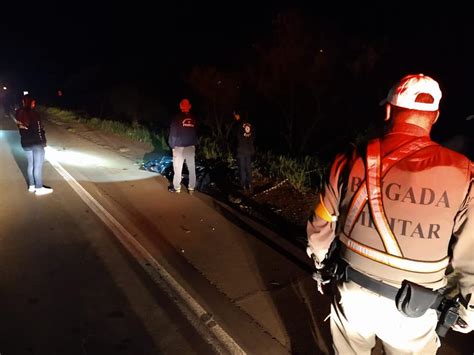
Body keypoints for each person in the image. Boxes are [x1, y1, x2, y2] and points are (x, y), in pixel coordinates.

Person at [306, 74, 473, 354]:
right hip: (415, 312)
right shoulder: (463, 173)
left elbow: (320, 226)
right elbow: (470, 256)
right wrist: (469, 310)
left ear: (387, 110)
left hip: (353, 293)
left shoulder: (349, 160)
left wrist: (321, 263)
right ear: (435, 116)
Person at [15, 94, 53, 195]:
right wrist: (43, 143)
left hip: (25, 142)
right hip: (36, 143)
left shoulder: (19, 113)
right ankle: (39, 188)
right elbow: (39, 131)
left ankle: (31, 186)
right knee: (38, 166)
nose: (34, 104)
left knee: (31, 164)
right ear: (31, 102)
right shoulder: (34, 114)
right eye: (33, 102)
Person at [168, 98, 197, 194]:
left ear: (181, 107)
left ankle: (177, 188)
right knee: (192, 168)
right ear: (189, 107)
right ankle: (191, 188)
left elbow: (173, 134)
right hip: (190, 147)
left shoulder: (176, 118)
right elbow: (195, 133)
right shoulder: (193, 119)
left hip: (179, 147)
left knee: (177, 168)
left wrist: (172, 146)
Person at [233, 111, 255, 192]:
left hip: (241, 151)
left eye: (235, 115)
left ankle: (243, 186)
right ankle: (250, 185)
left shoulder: (238, 125)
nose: (235, 116)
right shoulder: (250, 125)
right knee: (248, 168)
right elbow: (253, 136)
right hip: (249, 150)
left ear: (238, 115)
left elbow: (236, 137)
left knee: (242, 169)